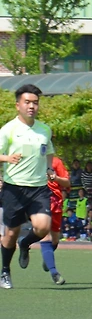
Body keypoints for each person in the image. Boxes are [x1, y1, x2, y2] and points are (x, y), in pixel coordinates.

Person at [0, 85, 57, 290]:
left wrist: (49, 167)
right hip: (14, 189)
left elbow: (48, 150)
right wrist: (7, 158)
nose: (32, 106)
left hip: (38, 188)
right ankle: (5, 270)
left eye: (35, 102)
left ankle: (25, 244)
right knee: (10, 234)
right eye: (27, 102)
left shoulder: (44, 129)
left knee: (43, 227)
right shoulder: (8, 130)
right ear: (18, 105)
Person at [36, 154, 71, 285]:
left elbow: (67, 182)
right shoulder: (32, 160)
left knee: (55, 240)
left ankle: (47, 255)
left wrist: (55, 178)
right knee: (45, 237)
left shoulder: (56, 162)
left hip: (55, 203)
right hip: (38, 202)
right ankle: (54, 272)